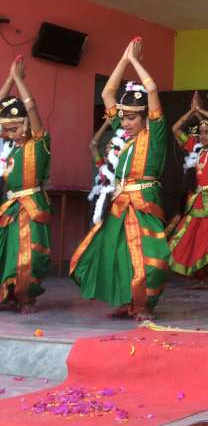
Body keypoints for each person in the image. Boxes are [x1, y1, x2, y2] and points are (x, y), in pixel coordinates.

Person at [71, 37, 170, 320]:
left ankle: (144, 304)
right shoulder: (123, 137)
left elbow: (152, 89)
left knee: (150, 257)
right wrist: (123, 60)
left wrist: (135, 61)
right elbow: (108, 93)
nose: (125, 123)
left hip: (144, 202)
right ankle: (127, 300)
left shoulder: (155, 135)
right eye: (123, 118)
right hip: (119, 202)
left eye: (131, 118)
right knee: (117, 254)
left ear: (145, 117)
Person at [0, 56, 50, 313]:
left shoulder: (39, 143)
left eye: (13, 129)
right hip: (10, 206)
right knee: (8, 251)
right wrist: (9, 80)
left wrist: (19, 80)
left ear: (27, 125)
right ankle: (9, 294)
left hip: (32, 205)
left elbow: (31, 108)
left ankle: (26, 297)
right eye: (6, 130)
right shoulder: (10, 148)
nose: (9, 134)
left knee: (29, 254)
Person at [168, 92, 208, 289]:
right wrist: (192, 112)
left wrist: (200, 110)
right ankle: (200, 277)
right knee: (192, 239)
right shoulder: (195, 149)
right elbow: (175, 128)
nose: (204, 136)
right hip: (196, 200)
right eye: (202, 132)